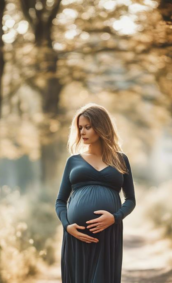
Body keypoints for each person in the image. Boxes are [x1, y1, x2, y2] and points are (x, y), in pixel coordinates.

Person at [55, 102, 136, 283]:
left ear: (101, 127)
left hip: (108, 233)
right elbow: (60, 201)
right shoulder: (73, 161)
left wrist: (114, 218)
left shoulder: (120, 159)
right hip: (77, 234)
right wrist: (67, 226)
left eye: (88, 127)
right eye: (80, 127)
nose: (82, 132)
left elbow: (130, 200)